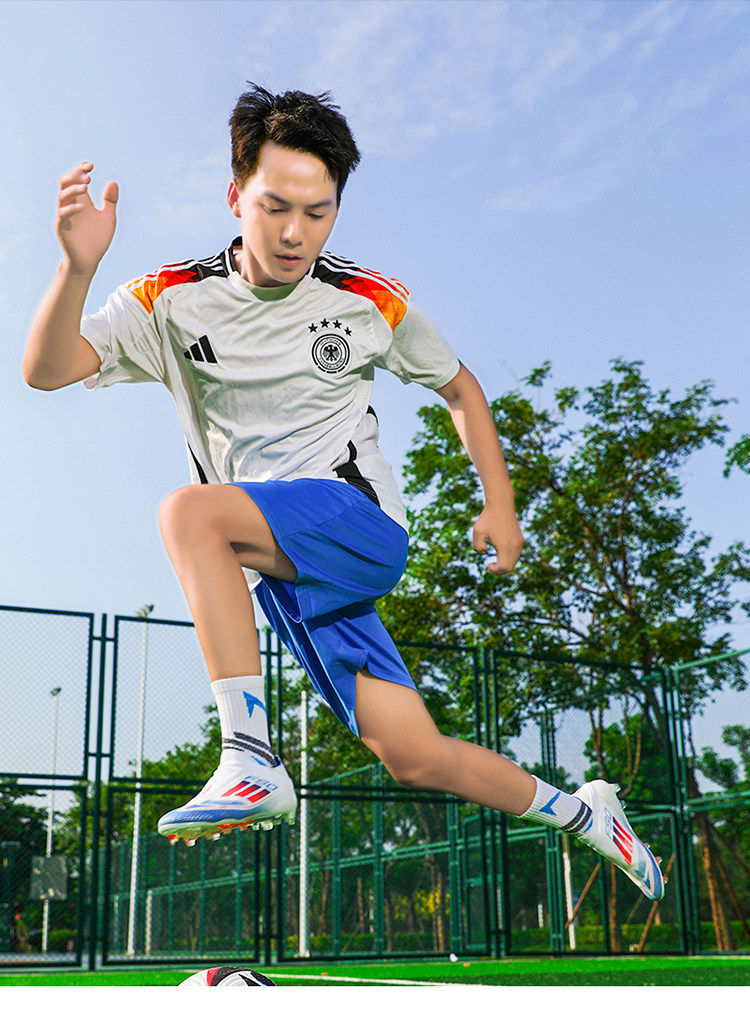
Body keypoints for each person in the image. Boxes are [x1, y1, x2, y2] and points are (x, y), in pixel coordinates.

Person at [23, 85, 663, 901]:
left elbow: (459, 385)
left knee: (188, 513)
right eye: (276, 207)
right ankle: (586, 813)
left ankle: (249, 754)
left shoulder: (366, 299)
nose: (296, 232)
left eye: (318, 212)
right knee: (415, 754)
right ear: (235, 196)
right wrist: (77, 267)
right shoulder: (169, 298)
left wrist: (499, 502)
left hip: (357, 524)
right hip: (282, 563)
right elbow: (48, 369)